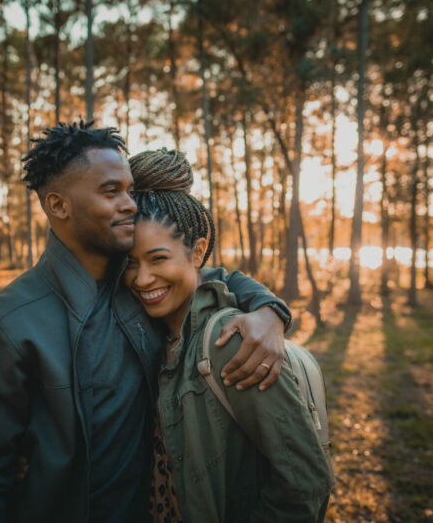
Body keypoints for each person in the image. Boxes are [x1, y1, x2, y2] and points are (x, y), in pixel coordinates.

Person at [0, 121, 293, 522]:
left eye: (130, 190)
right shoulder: (0, 328)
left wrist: (270, 311)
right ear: (58, 205)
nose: (130, 203)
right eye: (111, 192)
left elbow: (211, 276)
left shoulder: (140, 286)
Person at [125, 149, 334, 523]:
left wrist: (270, 310)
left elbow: (305, 484)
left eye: (158, 259)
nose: (142, 279)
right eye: (131, 264)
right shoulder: (150, 332)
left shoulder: (232, 344)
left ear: (198, 252)